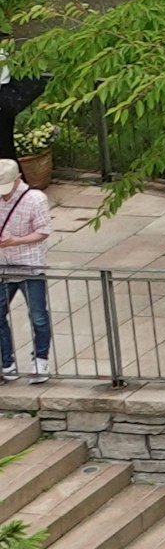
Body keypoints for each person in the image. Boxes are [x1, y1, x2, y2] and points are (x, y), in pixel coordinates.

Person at [0, 152, 52, 382]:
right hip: (3, 265)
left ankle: (40, 361)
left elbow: (43, 232)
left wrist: (15, 241)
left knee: (38, 316)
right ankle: (6, 362)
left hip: (29, 265)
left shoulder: (35, 199)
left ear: (18, 178)